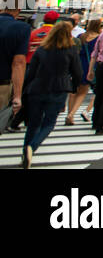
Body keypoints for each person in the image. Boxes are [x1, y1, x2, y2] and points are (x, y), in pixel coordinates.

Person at [20, 21, 84, 168]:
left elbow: (31, 73)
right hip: (59, 89)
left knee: (33, 123)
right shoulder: (71, 50)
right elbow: (78, 72)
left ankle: (25, 152)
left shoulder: (42, 49)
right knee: (48, 123)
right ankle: (32, 148)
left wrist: (24, 89)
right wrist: (73, 87)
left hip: (37, 88)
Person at [0, 1, 29, 132]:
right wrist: (17, 95)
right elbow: (18, 63)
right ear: (18, 9)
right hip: (2, 84)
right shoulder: (20, 28)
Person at [65, 17, 100, 125]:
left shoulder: (81, 36)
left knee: (73, 91)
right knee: (83, 91)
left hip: (78, 63)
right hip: (89, 65)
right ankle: (71, 115)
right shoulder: (99, 38)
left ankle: (69, 114)